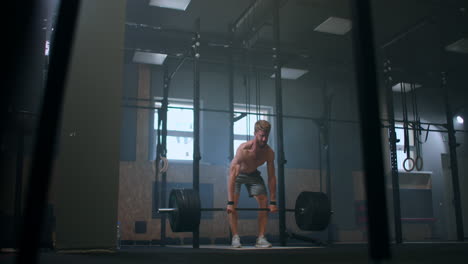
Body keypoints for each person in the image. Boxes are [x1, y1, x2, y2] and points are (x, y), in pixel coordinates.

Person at [227, 120, 278, 248]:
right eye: (261, 135)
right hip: (238, 175)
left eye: (266, 136)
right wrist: (230, 202)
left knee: (263, 200)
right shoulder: (243, 150)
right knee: (233, 204)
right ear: (255, 133)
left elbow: (272, 177)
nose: (264, 139)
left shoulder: (269, 153)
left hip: (253, 174)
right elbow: (232, 175)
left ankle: (261, 238)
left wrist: (273, 201)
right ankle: (235, 237)